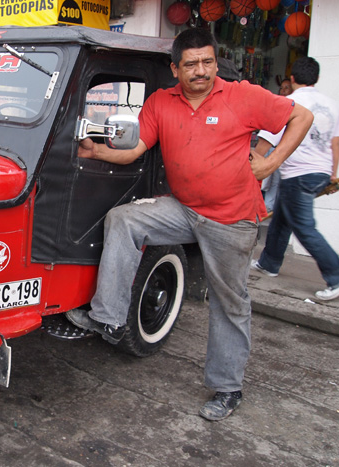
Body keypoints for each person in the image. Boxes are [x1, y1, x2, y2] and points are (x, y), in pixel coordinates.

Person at [66, 28, 313, 421]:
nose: (201, 70)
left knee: (229, 302)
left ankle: (227, 387)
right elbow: (134, 151)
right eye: (191, 64)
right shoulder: (161, 102)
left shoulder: (241, 95)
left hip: (231, 220)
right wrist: (95, 149)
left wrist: (271, 163)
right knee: (124, 220)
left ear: (215, 61)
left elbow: (302, 115)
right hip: (184, 208)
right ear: (175, 69)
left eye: (207, 61)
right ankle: (109, 319)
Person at [252, 57, 339, 301]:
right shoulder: (332, 104)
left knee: (304, 227)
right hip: (320, 173)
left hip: (298, 174)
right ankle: (269, 263)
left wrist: (254, 160)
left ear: (291, 79)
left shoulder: (290, 101)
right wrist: (332, 173)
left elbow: (270, 135)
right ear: (317, 79)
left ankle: (335, 274)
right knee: (282, 218)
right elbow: (335, 142)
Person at [261, 78, 293, 211]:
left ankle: (269, 208)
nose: (283, 91)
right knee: (267, 182)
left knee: (275, 183)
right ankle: (267, 207)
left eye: (286, 88)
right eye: (282, 88)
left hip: (281, 151)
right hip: (271, 148)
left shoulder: (293, 108)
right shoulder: (276, 105)